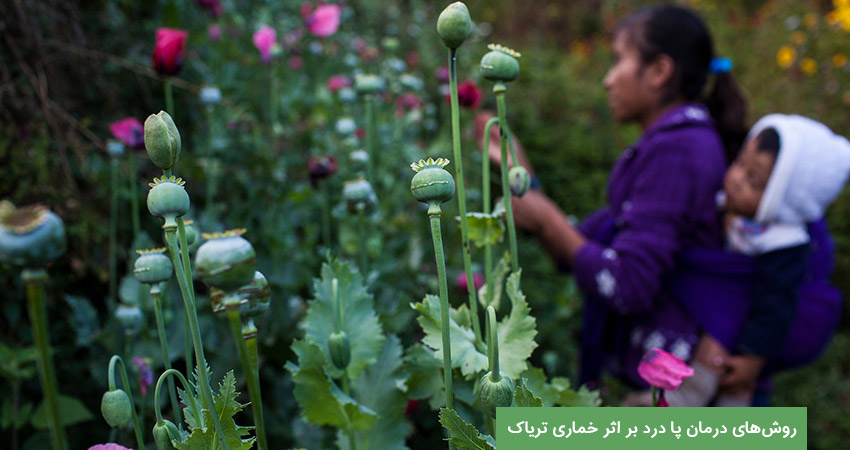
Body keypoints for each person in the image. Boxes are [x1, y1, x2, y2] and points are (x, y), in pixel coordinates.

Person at [476, 4, 748, 390]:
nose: (607, 80)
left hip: (666, 393)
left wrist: (547, 219)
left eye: (618, 60)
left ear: (658, 71)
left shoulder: (679, 150)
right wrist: (528, 183)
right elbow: (588, 249)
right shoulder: (679, 140)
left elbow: (627, 282)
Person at [660, 115, 850, 406]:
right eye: (740, 163)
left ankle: (680, 406)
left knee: (723, 369)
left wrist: (752, 358)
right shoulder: (734, 210)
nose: (736, 179)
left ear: (784, 199)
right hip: (720, 314)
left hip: (744, 331)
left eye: (754, 180)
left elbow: (775, 304)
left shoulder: (784, 243)